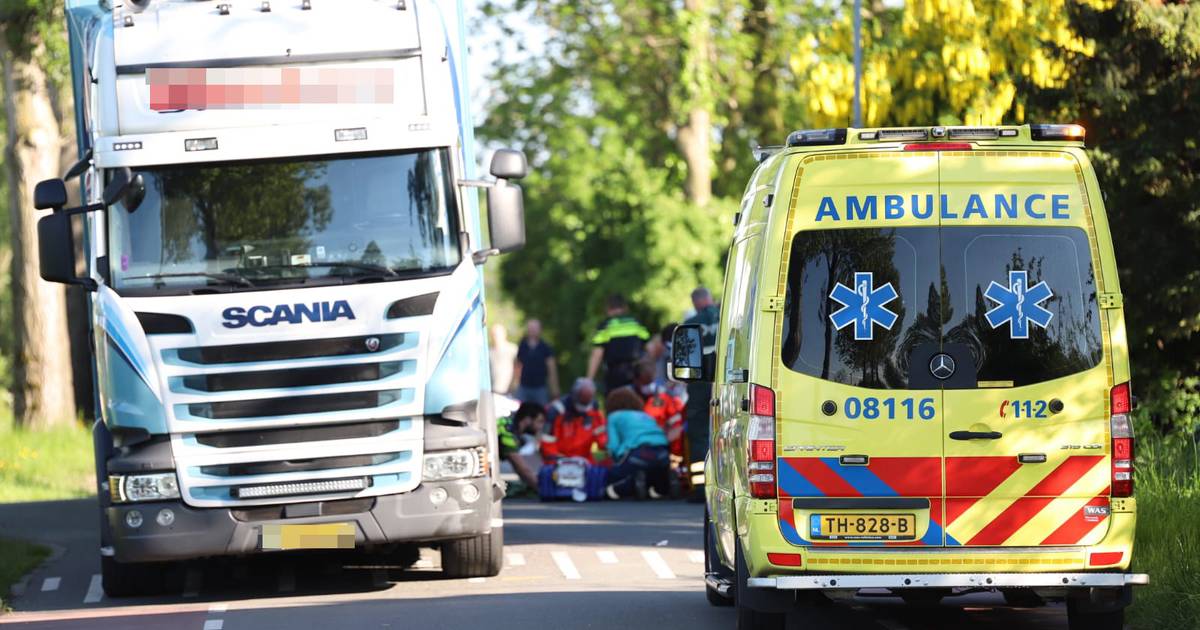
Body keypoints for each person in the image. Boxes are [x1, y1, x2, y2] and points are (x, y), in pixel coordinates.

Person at [683, 286, 720, 502]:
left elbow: (685, 359)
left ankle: (700, 488)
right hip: (726, 381)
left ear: (696, 302)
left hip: (699, 384)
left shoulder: (691, 324)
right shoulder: (729, 317)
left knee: (698, 436)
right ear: (710, 298)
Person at [603, 387, 671, 500]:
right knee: (656, 474)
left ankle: (634, 482)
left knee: (614, 477)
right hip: (662, 451)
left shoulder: (613, 417)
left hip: (638, 452)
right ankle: (664, 482)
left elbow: (613, 444)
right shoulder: (646, 416)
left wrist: (615, 459)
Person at [586, 294, 650, 393]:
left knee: (614, 404)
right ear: (625, 308)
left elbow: (597, 354)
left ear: (607, 309)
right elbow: (648, 348)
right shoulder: (636, 323)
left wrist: (589, 379)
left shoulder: (605, 326)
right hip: (635, 374)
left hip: (614, 376)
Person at [542, 378, 607, 464]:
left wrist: (611, 448)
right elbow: (547, 443)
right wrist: (559, 461)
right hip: (559, 462)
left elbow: (602, 438)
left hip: (585, 461)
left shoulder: (594, 412)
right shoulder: (555, 412)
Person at [629, 359, 685, 458]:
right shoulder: (626, 398)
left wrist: (665, 438)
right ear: (636, 380)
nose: (648, 386)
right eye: (645, 382)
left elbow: (678, 423)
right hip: (634, 447)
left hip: (661, 447)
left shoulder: (665, 396)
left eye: (650, 382)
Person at [512, 319, 560, 406]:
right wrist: (513, 386)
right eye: (531, 328)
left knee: (542, 413)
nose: (533, 330)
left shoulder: (546, 347)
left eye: (535, 328)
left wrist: (555, 391)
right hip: (523, 387)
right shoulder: (522, 345)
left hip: (540, 388)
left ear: (540, 330)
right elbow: (517, 366)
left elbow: (552, 370)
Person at [498, 402, 545, 490]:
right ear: (527, 419)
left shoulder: (508, 424)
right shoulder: (508, 431)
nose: (541, 427)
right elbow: (522, 470)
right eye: (539, 421)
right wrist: (543, 490)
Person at [489, 324, 518, 394]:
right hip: (492, 390)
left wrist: (514, 385)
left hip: (510, 389)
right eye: (494, 334)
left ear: (504, 334)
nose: (495, 337)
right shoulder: (488, 351)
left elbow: (519, 368)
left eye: (498, 334)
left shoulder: (513, 349)